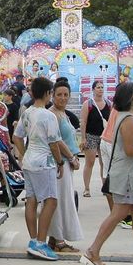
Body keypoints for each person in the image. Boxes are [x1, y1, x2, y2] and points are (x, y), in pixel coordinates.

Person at [81, 82, 133, 265]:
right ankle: (93, 251)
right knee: (119, 213)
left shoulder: (129, 117)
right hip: (127, 175)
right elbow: (130, 149)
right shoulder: (129, 120)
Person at [12, 76, 65, 261]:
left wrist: (24, 153)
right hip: (44, 163)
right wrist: (60, 162)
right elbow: (53, 143)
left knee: (31, 200)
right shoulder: (48, 116)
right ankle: (41, 243)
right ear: (48, 93)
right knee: (50, 201)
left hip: (29, 161)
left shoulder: (26, 113)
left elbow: (16, 137)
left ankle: (33, 240)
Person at [47, 80, 84, 253]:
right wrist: (70, 158)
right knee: (60, 202)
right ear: (52, 95)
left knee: (63, 200)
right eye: (59, 94)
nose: (63, 98)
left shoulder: (63, 114)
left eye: (66, 95)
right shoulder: (52, 114)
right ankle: (59, 241)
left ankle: (55, 239)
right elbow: (57, 140)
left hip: (66, 163)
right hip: (58, 164)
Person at [81, 80, 110, 198]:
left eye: (102, 87)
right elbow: (83, 122)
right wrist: (83, 138)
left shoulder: (108, 103)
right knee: (90, 162)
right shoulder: (88, 104)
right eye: (98, 87)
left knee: (104, 162)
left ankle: (105, 186)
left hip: (104, 137)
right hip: (91, 136)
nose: (100, 89)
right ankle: (86, 188)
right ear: (93, 89)